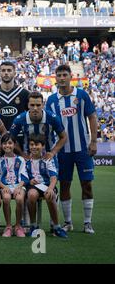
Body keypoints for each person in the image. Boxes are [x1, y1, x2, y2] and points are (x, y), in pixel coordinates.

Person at [46, 64, 98, 234]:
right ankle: (68, 222)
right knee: (65, 186)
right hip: (62, 150)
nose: (61, 78)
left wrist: (94, 141)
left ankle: (87, 222)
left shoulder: (82, 95)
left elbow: (92, 116)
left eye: (64, 75)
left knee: (87, 185)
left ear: (71, 76)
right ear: (56, 78)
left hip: (82, 149)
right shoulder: (52, 100)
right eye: (59, 75)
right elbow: (49, 125)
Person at [25, 134, 68, 238]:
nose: (34, 147)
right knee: (31, 195)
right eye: (31, 145)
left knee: (50, 195)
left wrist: (50, 188)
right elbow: (23, 177)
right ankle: (33, 226)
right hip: (33, 187)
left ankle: (56, 227)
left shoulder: (47, 159)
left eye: (36, 144)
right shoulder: (26, 160)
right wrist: (29, 181)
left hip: (46, 185)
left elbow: (54, 176)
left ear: (43, 146)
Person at [0, 61, 30, 148]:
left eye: (9, 70)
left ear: (15, 73)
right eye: (3, 70)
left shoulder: (24, 94)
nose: (6, 73)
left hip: (19, 140)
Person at [10, 91, 67, 160]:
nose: (35, 108)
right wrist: (23, 155)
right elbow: (11, 139)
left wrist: (52, 153)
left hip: (48, 158)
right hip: (28, 158)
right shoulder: (20, 119)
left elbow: (63, 137)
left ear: (43, 105)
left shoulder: (52, 118)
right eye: (32, 105)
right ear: (28, 105)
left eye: (38, 105)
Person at [0, 133, 29, 238]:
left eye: (10, 143)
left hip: (18, 185)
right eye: (5, 143)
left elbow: (24, 178)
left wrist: (18, 187)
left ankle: (18, 226)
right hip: (5, 186)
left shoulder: (20, 159)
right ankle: (8, 226)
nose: (7, 145)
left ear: (14, 145)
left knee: (20, 199)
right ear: (1, 145)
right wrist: (4, 187)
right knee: (6, 198)